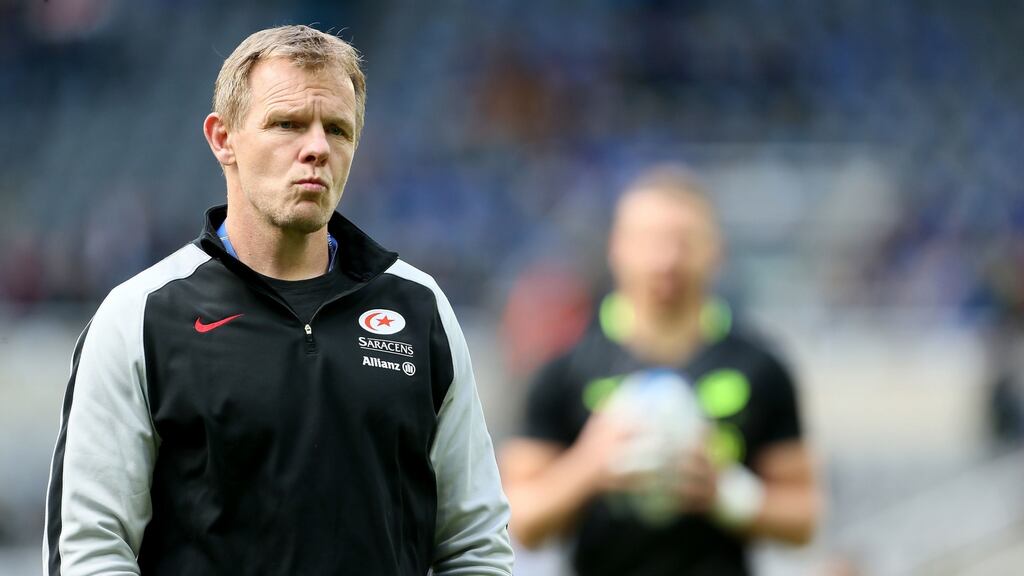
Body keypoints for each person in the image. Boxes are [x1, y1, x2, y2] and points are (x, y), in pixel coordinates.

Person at [43, 25, 513, 576]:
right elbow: (92, 550)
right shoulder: (141, 316)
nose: (316, 148)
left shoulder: (419, 308)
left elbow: (475, 545)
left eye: (337, 129)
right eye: (287, 124)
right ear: (223, 139)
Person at [500, 166, 820, 575]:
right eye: (649, 240)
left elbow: (805, 516)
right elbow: (520, 519)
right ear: (617, 247)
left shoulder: (761, 367)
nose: (666, 259)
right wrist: (591, 465)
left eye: (684, 241)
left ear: (715, 250)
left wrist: (729, 494)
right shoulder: (563, 369)